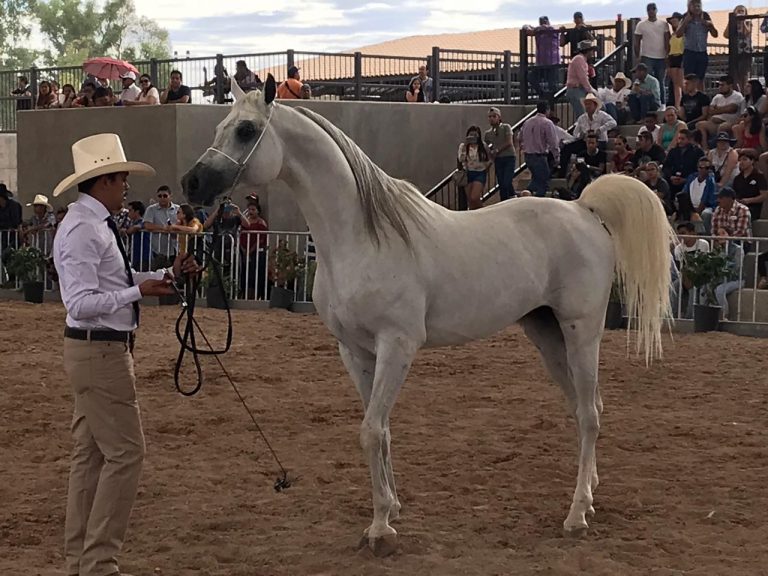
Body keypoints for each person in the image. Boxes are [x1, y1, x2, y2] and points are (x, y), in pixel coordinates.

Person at [51, 133, 200, 576]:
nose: (126, 189)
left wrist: (162, 275)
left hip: (95, 352)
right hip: (100, 353)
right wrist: (139, 290)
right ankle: (99, 562)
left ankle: (81, 560)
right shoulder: (83, 229)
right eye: (121, 180)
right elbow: (78, 303)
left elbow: (112, 283)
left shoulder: (92, 224)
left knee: (92, 454)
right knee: (126, 454)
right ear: (103, 181)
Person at [519, 101, 559, 197]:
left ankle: (526, 194)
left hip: (528, 155)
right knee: (543, 182)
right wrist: (557, 156)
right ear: (547, 110)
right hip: (539, 156)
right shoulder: (547, 123)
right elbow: (553, 142)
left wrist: (524, 146)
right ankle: (536, 200)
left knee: (536, 179)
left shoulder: (527, 122)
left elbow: (519, 137)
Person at [634, 2, 670, 106]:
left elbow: (667, 40)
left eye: (653, 9)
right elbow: (637, 41)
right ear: (647, 11)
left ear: (656, 10)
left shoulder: (663, 24)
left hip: (661, 57)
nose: (651, 11)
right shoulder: (641, 25)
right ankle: (647, 104)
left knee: (660, 82)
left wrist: (667, 54)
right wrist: (638, 56)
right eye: (649, 9)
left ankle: (662, 105)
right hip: (647, 56)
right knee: (646, 81)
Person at [676, 0, 718, 82]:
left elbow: (715, 34)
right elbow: (678, 34)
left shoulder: (705, 16)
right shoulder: (685, 16)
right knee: (688, 78)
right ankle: (688, 94)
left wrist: (710, 25)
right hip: (690, 52)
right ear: (689, 7)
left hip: (702, 52)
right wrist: (685, 22)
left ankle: (700, 94)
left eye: (698, 6)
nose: (697, 8)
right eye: (694, 6)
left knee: (700, 79)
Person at [238, 194, 269, 300]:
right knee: (244, 274)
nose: (251, 211)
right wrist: (243, 249)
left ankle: (256, 296)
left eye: (253, 209)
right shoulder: (245, 222)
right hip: (244, 250)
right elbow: (241, 234)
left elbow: (260, 239)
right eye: (249, 209)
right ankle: (244, 294)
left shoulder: (261, 223)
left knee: (256, 274)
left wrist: (250, 251)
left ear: (258, 210)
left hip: (256, 252)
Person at [484, 107, 516, 201]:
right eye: (490, 117)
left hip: (509, 157)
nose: (492, 118)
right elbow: (486, 146)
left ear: (499, 117)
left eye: (494, 116)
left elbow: (509, 142)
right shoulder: (488, 133)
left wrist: (497, 150)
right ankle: (509, 198)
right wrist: (490, 156)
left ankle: (509, 198)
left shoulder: (506, 127)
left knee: (507, 180)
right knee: (502, 183)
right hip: (498, 159)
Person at [458, 125, 492, 208]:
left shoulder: (483, 146)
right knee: (470, 200)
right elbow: (461, 159)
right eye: (471, 135)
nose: (473, 137)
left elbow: (489, 158)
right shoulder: (463, 146)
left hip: (480, 173)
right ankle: (476, 216)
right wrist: (466, 146)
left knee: (474, 197)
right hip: (468, 173)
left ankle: (483, 212)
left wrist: (486, 167)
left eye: (475, 135)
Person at [723, 5, 752, 93]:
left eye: (742, 11)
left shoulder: (748, 21)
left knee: (744, 75)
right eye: (738, 11)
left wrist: (742, 21)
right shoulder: (733, 23)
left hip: (745, 51)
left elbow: (747, 33)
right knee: (735, 76)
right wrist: (731, 21)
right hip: (735, 52)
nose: (740, 12)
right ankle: (738, 94)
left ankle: (744, 94)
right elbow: (726, 35)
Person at [565, 40, 597, 118]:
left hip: (579, 89)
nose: (593, 53)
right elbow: (583, 78)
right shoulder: (579, 59)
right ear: (588, 51)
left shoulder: (581, 60)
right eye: (592, 50)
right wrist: (591, 90)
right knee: (582, 115)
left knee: (586, 113)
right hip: (576, 89)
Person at [666, 12, 685, 108]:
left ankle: (684, 102)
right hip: (672, 57)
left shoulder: (684, 34)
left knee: (682, 82)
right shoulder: (672, 34)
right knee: (675, 84)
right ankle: (677, 105)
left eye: (675, 20)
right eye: (672, 20)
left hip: (681, 56)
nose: (673, 22)